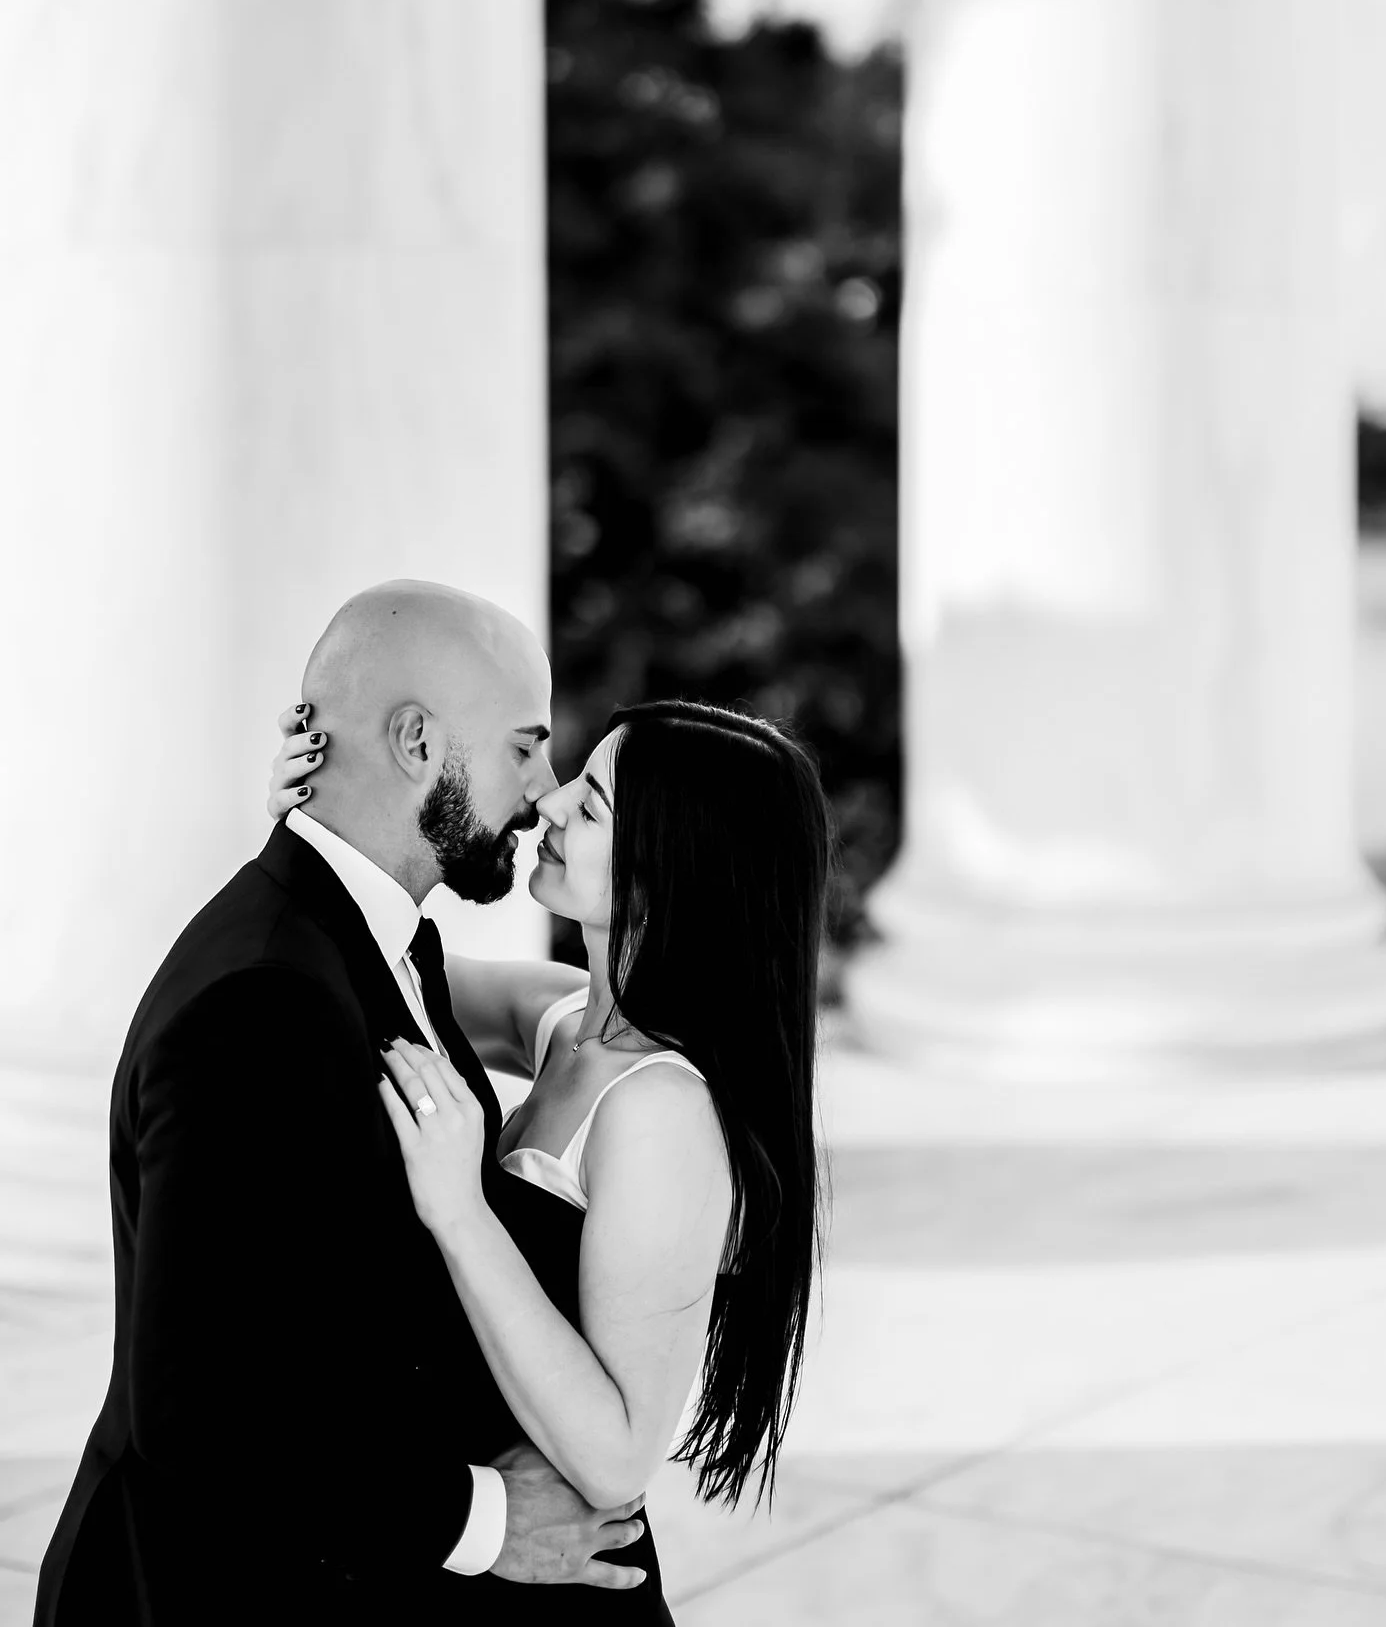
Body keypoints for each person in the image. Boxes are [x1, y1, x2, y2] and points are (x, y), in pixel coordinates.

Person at [35, 582, 652, 1627]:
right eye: (522, 747)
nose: (542, 790)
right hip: (213, 1591)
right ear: (418, 742)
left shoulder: (371, 935)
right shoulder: (263, 1000)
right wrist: (488, 1521)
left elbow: (577, 1017)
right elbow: (197, 1409)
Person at [264, 693, 833, 1615]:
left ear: (670, 868)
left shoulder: (660, 1111)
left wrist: (460, 1211)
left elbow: (616, 1456)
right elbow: (364, 965)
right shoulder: (569, 1020)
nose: (553, 804)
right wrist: (318, 820)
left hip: (564, 1577)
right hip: (491, 1548)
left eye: (594, 804)